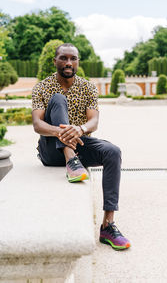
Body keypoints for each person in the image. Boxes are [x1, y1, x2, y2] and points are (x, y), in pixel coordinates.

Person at [32, 43, 130, 250]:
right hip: (51, 151)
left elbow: (94, 121)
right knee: (58, 99)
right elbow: (37, 125)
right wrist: (62, 132)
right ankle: (71, 160)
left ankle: (108, 225)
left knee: (113, 152)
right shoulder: (43, 87)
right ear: (55, 61)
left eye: (73, 58)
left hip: (80, 142)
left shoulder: (87, 87)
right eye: (63, 58)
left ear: (78, 62)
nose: (68, 62)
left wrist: (80, 129)